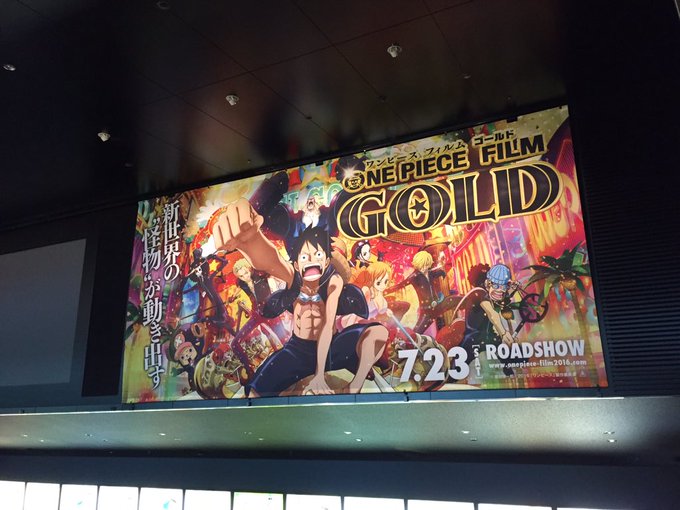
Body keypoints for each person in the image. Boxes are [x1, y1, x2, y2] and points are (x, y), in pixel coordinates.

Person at [210, 199, 389, 396]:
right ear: (296, 264)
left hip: (332, 347)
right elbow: (272, 260)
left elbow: (327, 326)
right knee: (255, 392)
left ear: (326, 261)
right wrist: (251, 239)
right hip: (297, 350)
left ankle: (354, 386)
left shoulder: (334, 282)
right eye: (304, 257)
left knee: (378, 333)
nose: (311, 260)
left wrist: (320, 375)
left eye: (317, 255)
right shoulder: (293, 279)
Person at [385, 250, 447, 333]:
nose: (423, 268)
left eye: (425, 265)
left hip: (437, 304)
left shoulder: (430, 273)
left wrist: (442, 272)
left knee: (442, 323)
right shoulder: (415, 276)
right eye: (421, 266)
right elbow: (401, 285)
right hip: (426, 310)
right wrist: (385, 291)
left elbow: (439, 272)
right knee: (417, 332)